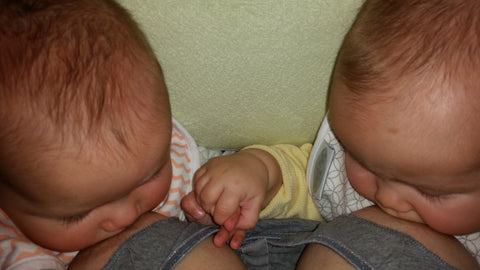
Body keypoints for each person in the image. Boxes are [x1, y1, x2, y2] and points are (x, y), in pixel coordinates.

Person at [0, 0, 318, 268]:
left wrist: (235, 191)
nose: (126, 214)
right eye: (77, 215)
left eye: (148, 177)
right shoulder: (14, 247)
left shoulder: (168, 154)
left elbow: (275, 191)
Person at [182, 0, 480, 267]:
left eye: (431, 192)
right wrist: (260, 172)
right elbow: (314, 181)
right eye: (365, 163)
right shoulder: (362, 156)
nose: (388, 198)